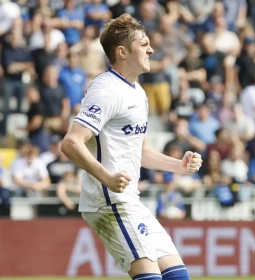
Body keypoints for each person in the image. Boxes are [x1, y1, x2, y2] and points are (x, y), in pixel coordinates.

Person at [61, 13, 202, 280]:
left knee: (178, 277)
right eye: (144, 44)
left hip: (130, 200)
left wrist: (178, 166)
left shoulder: (138, 92)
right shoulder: (106, 89)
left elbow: (141, 152)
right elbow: (70, 143)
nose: (151, 49)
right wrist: (107, 177)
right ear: (122, 51)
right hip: (108, 201)